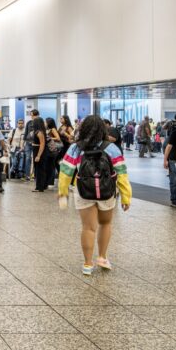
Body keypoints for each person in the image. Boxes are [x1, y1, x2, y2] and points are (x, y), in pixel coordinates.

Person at [57, 115, 131, 275]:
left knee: (88, 228)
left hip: (84, 191)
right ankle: (102, 257)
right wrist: (126, 196)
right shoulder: (111, 148)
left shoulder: (76, 147)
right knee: (105, 224)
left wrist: (62, 192)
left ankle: (87, 264)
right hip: (107, 191)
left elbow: (65, 171)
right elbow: (122, 173)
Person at [23, 110, 40, 180]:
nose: (31, 116)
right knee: (27, 158)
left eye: (32, 115)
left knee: (35, 159)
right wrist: (23, 143)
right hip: (28, 143)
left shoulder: (40, 123)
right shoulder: (29, 123)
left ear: (37, 115)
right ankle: (27, 175)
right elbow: (26, 132)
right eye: (31, 115)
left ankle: (36, 175)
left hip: (36, 143)